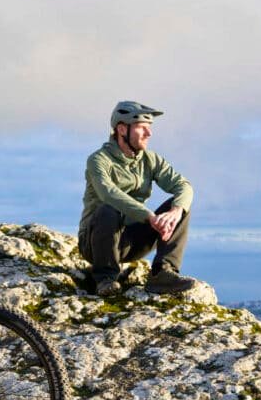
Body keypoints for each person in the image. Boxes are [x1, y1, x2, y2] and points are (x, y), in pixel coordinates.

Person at [78, 100, 195, 296]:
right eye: (142, 128)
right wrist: (149, 216)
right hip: (96, 243)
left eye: (149, 128)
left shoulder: (150, 159)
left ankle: (162, 273)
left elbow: (184, 186)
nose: (149, 134)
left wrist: (175, 212)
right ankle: (105, 279)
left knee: (181, 206)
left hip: (132, 242)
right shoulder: (98, 160)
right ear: (122, 129)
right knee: (108, 209)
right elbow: (109, 193)